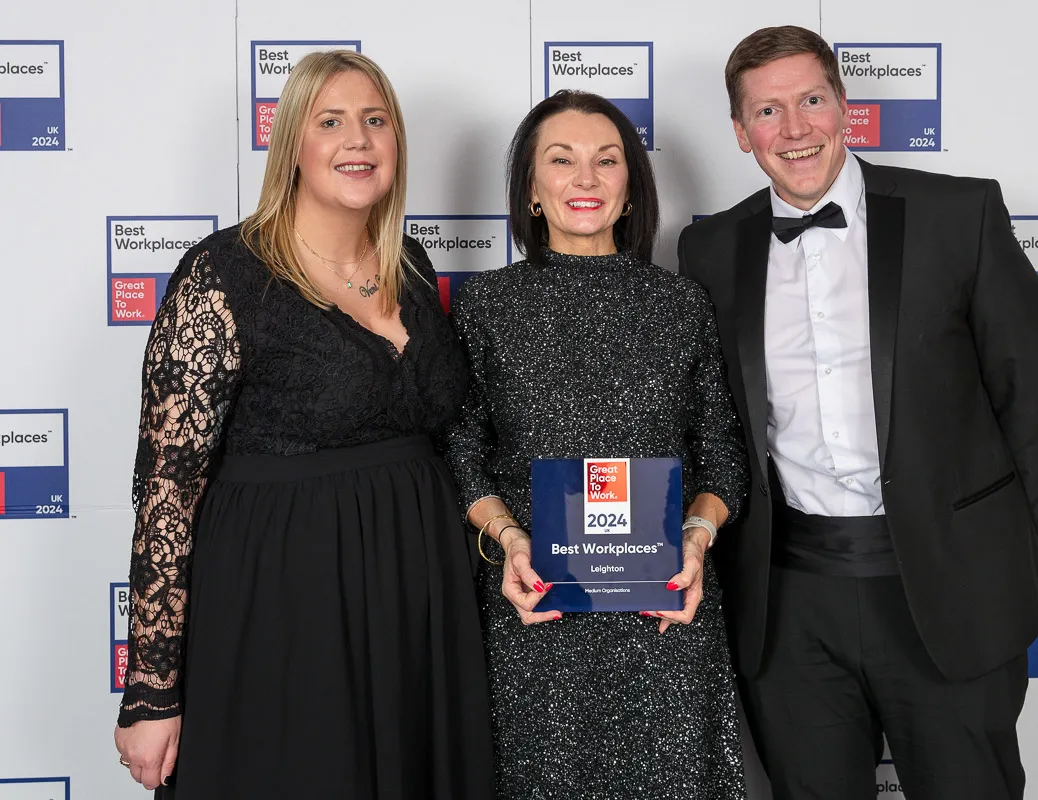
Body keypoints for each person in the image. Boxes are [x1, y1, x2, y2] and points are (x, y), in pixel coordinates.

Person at [677, 25, 1038, 800]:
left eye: (812, 101)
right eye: (767, 111)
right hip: (789, 603)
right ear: (739, 130)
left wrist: (1008, 541)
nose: (794, 129)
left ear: (845, 107)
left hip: (949, 586)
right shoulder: (710, 249)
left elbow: (1034, 391)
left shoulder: (959, 214)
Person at [113, 50, 493, 799]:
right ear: (292, 145)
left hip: (415, 607)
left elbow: (451, 426)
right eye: (332, 122)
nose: (358, 139)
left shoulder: (409, 268)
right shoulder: (223, 276)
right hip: (285, 610)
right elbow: (166, 491)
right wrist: (152, 690)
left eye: (375, 121)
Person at [440, 89, 748, 799]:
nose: (586, 179)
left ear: (632, 189)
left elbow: (724, 453)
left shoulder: (682, 305)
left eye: (607, 160)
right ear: (532, 191)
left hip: (666, 621)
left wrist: (697, 541)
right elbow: (459, 450)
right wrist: (510, 539)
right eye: (562, 160)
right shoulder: (485, 305)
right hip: (536, 615)